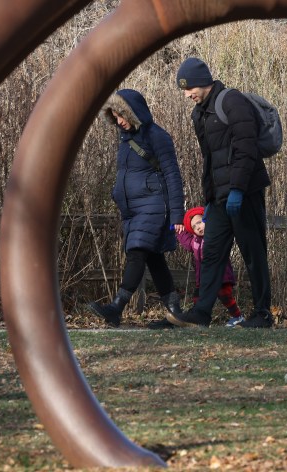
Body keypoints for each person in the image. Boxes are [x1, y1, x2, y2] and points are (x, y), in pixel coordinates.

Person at [170, 57, 273, 328]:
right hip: (218, 199)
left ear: (202, 82)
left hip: (244, 193)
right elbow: (210, 160)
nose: (186, 94)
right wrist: (210, 197)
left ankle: (263, 314)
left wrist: (238, 189)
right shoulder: (198, 114)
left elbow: (246, 148)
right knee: (212, 253)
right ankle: (201, 313)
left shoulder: (232, 101)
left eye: (188, 87)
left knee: (253, 252)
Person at [88, 89, 186, 328]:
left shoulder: (157, 136)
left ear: (133, 112)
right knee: (154, 259)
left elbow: (173, 175)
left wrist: (177, 215)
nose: (119, 121)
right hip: (132, 210)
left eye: (122, 115)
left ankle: (116, 307)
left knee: (137, 252)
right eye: (115, 116)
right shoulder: (125, 140)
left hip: (153, 205)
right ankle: (176, 314)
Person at [172, 206, 243, 327]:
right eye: (194, 227)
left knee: (225, 295)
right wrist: (179, 230)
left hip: (222, 275)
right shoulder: (194, 242)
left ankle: (237, 316)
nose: (198, 227)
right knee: (198, 297)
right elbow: (185, 240)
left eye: (199, 222)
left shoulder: (215, 235)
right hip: (203, 278)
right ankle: (198, 318)